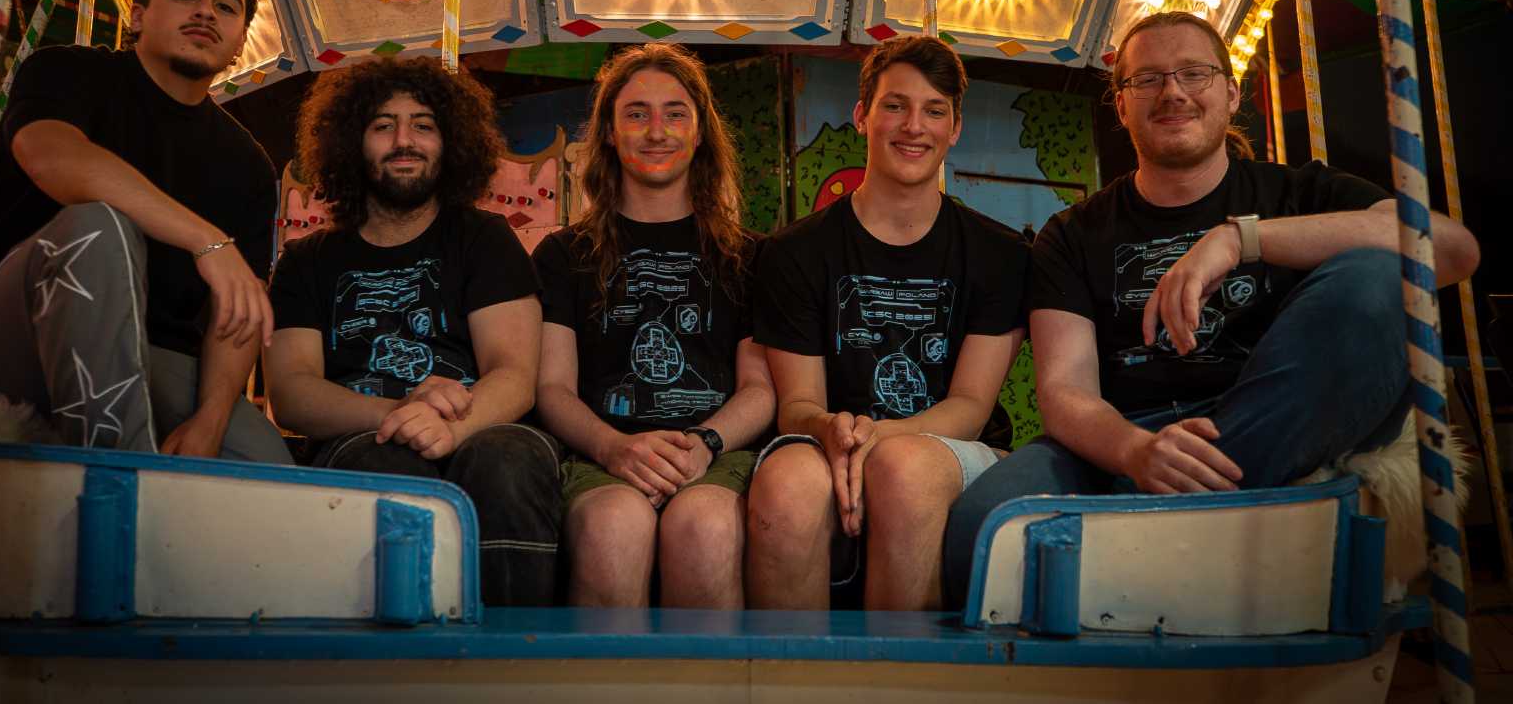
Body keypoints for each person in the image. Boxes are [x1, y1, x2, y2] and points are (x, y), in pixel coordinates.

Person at [940, 10, 1482, 605]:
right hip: (1130, 435)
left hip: (1274, 415)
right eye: (1147, 79)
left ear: (1230, 93)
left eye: (1193, 73)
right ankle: (1182, 514)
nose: (1172, 92)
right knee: (979, 529)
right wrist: (1136, 452)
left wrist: (1241, 239)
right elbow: (1066, 390)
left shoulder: (1300, 193)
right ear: (1121, 106)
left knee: (1379, 275)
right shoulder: (1072, 234)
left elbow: (1451, 248)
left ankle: (1147, 520)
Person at [0, 0, 288, 463]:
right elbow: (52, 157)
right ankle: (120, 476)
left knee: (262, 460)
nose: (205, 12)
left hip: (154, 352)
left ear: (239, 43)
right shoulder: (70, 71)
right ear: (138, 16)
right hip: (23, 327)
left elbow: (236, 310)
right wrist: (208, 240)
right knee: (99, 227)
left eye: (226, 6)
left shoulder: (247, 163)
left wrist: (210, 420)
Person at [745, 36, 1029, 611]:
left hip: (958, 449)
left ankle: (899, 663)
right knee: (787, 481)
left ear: (955, 128)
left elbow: (971, 407)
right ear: (862, 116)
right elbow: (798, 406)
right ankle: (786, 664)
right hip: (831, 437)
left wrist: (877, 439)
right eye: (895, 106)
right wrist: (834, 431)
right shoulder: (793, 253)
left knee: (904, 468)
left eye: (934, 111)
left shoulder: (1001, 256)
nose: (913, 127)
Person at [265, 57, 562, 606]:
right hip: (363, 435)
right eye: (383, 125)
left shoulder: (485, 239)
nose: (404, 141)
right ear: (352, 142)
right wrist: (401, 414)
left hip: (479, 423)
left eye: (423, 125)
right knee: (384, 463)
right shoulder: (306, 261)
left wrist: (448, 426)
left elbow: (514, 376)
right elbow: (292, 393)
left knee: (507, 461)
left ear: (450, 143)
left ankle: (514, 644)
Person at [533, 44, 772, 608]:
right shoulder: (562, 255)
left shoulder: (749, 256)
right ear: (609, 133)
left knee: (705, 527)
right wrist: (614, 448)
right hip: (602, 453)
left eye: (675, 113)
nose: (657, 131)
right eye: (636, 114)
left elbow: (760, 389)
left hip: (717, 454)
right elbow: (551, 388)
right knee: (613, 527)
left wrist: (704, 444)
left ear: (700, 132)